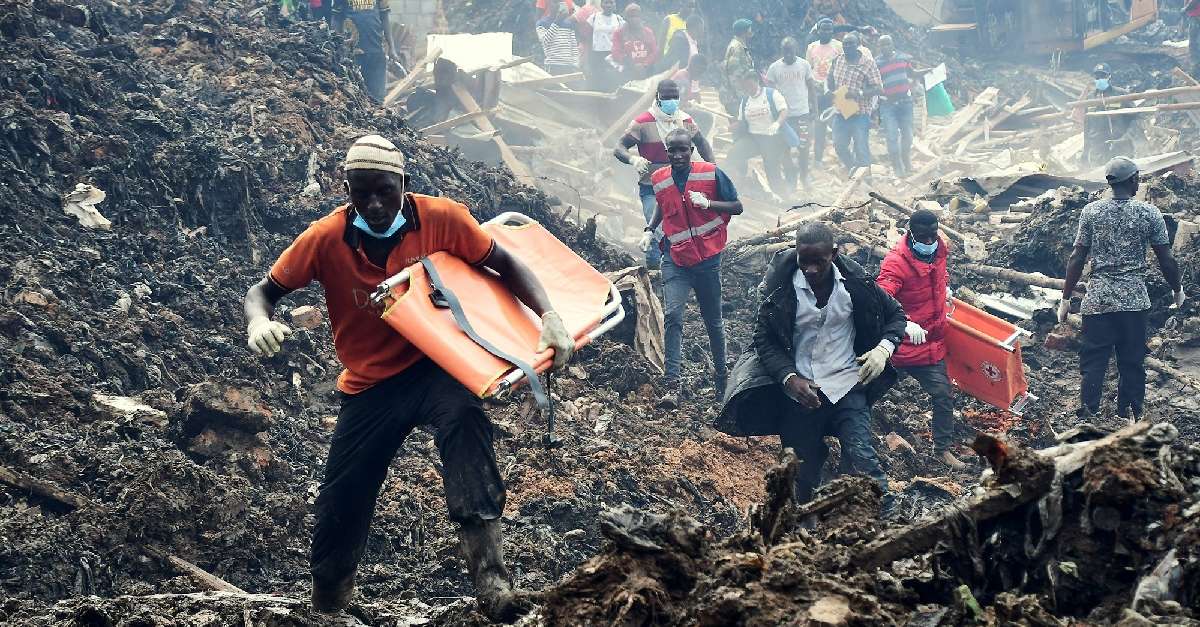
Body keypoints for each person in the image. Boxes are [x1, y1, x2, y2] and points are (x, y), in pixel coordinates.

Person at [244, 135, 576, 621]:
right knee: (343, 494)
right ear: (347, 190)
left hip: (435, 366)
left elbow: (503, 262)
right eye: (362, 193)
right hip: (371, 383)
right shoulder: (326, 238)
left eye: (385, 191)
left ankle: (492, 582)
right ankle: (330, 598)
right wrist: (258, 322)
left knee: (466, 422)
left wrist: (549, 314)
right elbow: (263, 291)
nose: (375, 205)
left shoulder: (442, 219)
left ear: (403, 184)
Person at [718, 223, 906, 510]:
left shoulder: (856, 284)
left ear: (834, 254)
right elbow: (763, 339)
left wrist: (883, 349)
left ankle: (890, 518)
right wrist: (788, 377)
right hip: (801, 394)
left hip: (847, 384)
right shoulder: (780, 290)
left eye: (818, 261)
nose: (810, 269)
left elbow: (896, 315)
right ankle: (806, 523)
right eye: (803, 260)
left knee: (862, 457)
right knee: (800, 472)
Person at [1058, 156, 1184, 420]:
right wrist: (1177, 289)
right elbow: (1166, 259)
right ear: (1133, 180)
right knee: (1132, 361)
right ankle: (1130, 414)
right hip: (1134, 303)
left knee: (1094, 361)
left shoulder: (1091, 212)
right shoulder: (1149, 213)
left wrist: (1066, 298)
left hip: (1098, 301)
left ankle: (1089, 414)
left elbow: (1077, 258)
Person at [642, 128, 742, 408]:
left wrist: (709, 203)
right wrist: (649, 229)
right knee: (673, 316)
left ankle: (721, 378)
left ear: (691, 150)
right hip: (675, 258)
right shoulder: (659, 178)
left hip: (707, 260)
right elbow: (662, 205)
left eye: (682, 150)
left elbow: (737, 206)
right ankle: (671, 385)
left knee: (713, 321)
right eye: (672, 150)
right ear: (666, 152)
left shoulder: (711, 173)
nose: (677, 155)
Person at [876, 210, 966, 470]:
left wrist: (945, 289)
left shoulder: (939, 250)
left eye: (932, 236)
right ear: (910, 233)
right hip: (898, 345)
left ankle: (943, 449)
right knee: (871, 392)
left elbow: (938, 277)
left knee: (943, 394)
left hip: (929, 343)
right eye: (922, 237)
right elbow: (880, 300)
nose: (928, 242)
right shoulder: (895, 263)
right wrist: (903, 323)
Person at [613, 80, 714, 269]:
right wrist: (633, 159)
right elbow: (619, 147)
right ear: (658, 98)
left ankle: (672, 267)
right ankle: (657, 269)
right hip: (652, 187)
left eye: (675, 97)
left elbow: (702, 144)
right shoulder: (643, 122)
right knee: (657, 228)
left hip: (681, 186)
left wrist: (712, 169)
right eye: (667, 97)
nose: (671, 101)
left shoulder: (685, 121)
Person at [729, 70, 794, 200]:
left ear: (757, 81)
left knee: (772, 169)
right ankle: (734, 185)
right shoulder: (745, 100)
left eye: (750, 85)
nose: (749, 89)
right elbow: (742, 121)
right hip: (753, 138)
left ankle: (783, 198)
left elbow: (784, 110)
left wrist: (777, 123)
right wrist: (735, 126)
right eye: (745, 86)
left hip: (772, 138)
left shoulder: (771, 94)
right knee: (734, 154)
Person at [826, 32, 881, 178]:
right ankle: (854, 170)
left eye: (851, 43)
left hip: (860, 112)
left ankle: (867, 181)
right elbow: (830, 81)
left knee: (861, 148)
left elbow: (878, 88)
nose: (847, 46)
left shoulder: (868, 64)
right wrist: (830, 89)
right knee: (839, 145)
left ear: (858, 45)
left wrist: (858, 93)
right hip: (842, 110)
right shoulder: (838, 60)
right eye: (845, 44)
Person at [766, 36, 817, 190]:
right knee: (785, 149)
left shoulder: (804, 65)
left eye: (790, 51)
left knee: (804, 147)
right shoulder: (774, 68)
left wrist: (815, 108)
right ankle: (791, 181)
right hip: (784, 117)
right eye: (785, 51)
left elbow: (811, 87)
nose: (788, 54)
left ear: (796, 49)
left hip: (802, 114)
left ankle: (804, 177)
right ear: (781, 51)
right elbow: (770, 93)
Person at [330, 0, 389, 102]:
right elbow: (336, 19)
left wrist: (392, 47)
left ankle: (378, 110)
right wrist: (338, 45)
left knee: (378, 95)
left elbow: (385, 17)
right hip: (353, 53)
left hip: (377, 50)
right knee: (356, 94)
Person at [874, 35, 915, 177]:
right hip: (888, 104)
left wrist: (927, 72)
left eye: (887, 44)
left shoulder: (903, 58)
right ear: (878, 47)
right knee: (891, 136)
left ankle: (906, 160)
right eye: (882, 44)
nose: (885, 47)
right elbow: (873, 83)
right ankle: (897, 167)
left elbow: (912, 73)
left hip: (905, 103)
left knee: (908, 135)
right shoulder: (876, 64)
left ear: (892, 44)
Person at [806, 18, 842, 169]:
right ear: (818, 31)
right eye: (823, 29)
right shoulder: (811, 47)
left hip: (836, 91)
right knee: (819, 127)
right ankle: (818, 160)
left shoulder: (839, 46)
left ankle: (844, 157)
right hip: (818, 92)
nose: (826, 32)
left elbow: (844, 66)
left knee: (842, 125)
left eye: (829, 29)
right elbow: (808, 69)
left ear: (832, 31)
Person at [1081, 63, 1133, 167]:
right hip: (1097, 147)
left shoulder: (1120, 94)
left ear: (1109, 76)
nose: (1100, 79)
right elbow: (1087, 125)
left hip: (1119, 145)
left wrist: (1128, 136)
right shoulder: (1090, 98)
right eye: (1097, 77)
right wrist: (1086, 149)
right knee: (1099, 174)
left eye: (1103, 76)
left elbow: (1135, 117)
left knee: (1120, 172)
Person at [610, 3, 659, 80]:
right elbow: (616, 53)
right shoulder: (619, 33)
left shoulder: (648, 32)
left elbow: (654, 52)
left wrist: (645, 64)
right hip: (627, 72)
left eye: (636, 16)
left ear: (641, 17)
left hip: (647, 72)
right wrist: (631, 64)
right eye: (631, 16)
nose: (634, 19)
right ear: (626, 18)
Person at [586, 0, 623, 91]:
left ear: (614, 4)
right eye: (606, 2)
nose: (608, 5)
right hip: (597, 54)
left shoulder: (618, 19)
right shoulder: (593, 17)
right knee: (597, 78)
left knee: (612, 79)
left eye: (611, 2)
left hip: (612, 54)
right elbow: (587, 35)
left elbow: (623, 37)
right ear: (601, 4)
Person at [721, 18, 755, 116]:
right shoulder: (736, 48)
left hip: (737, 96)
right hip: (734, 98)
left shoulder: (740, 46)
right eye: (749, 29)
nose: (751, 31)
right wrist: (742, 98)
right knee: (740, 123)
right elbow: (733, 75)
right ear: (743, 32)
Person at [537, 1, 580, 76]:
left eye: (560, 2)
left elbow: (573, 45)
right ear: (549, 3)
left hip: (569, 66)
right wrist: (557, 22)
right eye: (555, 2)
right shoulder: (542, 23)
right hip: (553, 65)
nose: (557, 5)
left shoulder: (568, 23)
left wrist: (576, 64)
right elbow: (545, 41)